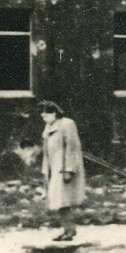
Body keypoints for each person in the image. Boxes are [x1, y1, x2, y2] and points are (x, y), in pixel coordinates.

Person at [38, 100, 85, 241]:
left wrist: (69, 169)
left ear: (54, 113)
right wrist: (46, 170)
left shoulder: (67, 124)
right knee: (58, 201)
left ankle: (70, 230)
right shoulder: (48, 126)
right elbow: (47, 151)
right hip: (53, 168)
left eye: (45, 114)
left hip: (63, 168)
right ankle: (67, 229)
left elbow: (72, 147)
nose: (43, 117)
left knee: (63, 201)